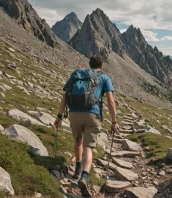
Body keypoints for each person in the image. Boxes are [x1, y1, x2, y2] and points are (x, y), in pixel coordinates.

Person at [54, 55, 118, 197]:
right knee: (88, 147)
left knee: (78, 141)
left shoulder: (76, 75)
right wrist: (114, 122)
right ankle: (85, 176)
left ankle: (77, 167)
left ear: (90, 64)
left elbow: (64, 96)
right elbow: (110, 101)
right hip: (92, 115)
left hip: (74, 113)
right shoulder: (104, 77)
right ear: (101, 66)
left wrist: (59, 116)